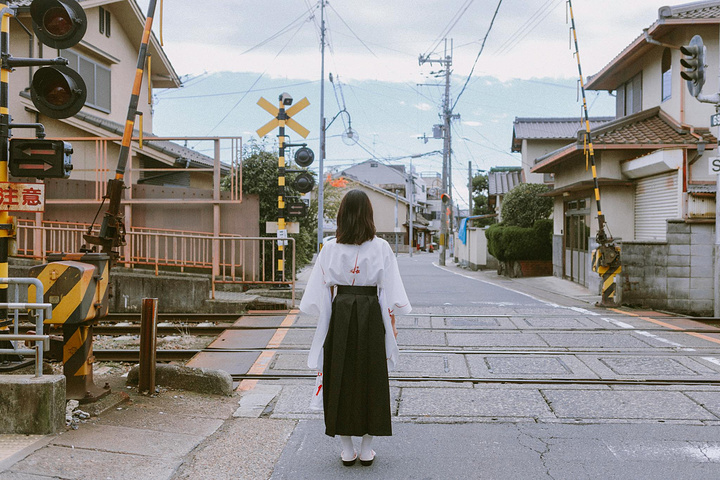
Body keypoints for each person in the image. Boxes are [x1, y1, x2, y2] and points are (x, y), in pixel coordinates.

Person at [300, 189, 412, 467]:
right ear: (368, 216)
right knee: (371, 376)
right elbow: (391, 290)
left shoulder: (330, 248)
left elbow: (317, 292)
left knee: (340, 375)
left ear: (342, 217)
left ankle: (347, 449)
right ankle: (366, 450)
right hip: (371, 311)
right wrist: (393, 323)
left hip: (340, 313)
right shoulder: (382, 247)